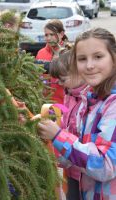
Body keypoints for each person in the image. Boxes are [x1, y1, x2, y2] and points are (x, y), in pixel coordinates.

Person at [38, 28, 116, 200]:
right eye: (82, 59)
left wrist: (58, 137)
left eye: (98, 56)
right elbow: (76, 148)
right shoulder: (87, 100)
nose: (89, 65)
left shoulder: (113, 104)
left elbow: (104, 164)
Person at [49, 50, 86, 200]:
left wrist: (58, 136)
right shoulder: (70, 94)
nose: (59, 83)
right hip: (71, 167)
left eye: (62, 79)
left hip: (83, 169)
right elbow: (66, 119)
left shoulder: (87, 99)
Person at [35, 19, 72, 104]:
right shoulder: (41, 53)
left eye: (52, 34)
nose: (48, 38)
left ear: (61, 34)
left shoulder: (68, 52)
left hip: (64, 102)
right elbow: (37, 77)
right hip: (46, 102)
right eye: (46, 35)